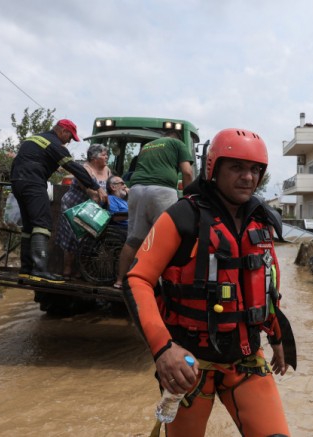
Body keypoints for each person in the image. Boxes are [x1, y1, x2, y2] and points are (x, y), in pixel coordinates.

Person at [124, 128, 297, 437]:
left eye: (256, 169)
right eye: (237, 167)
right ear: (213, 169)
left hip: (245, 360)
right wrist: (163, 351)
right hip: (188, 366)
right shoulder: (181, 216)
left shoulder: (262, 220)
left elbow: (269, 283)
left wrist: (277, 336)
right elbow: (137, 279)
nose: (248, 177)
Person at [10, 119, 107, 283]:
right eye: (70, 138)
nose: (69, 142)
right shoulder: (53, 144)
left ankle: (26, 270)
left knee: (29, 226)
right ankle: (40, 270)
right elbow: (74, 168)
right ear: (63, 131)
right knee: (43, 224)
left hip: (17, 182)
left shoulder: (34, 138)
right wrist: (95, 186)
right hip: (33, 183)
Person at [112, 129, 193, 289]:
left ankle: (120, 281)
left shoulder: (147, 146)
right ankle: (162, 284)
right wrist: (188, 197)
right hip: (161, 191)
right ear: (176, 138)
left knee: (134, 239)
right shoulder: (178, 143)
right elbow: (187, 172)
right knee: (167, 238)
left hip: (136, 190)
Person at [56, 143, 111, 279]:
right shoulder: (84, 169)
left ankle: (81, 270)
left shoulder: (107, 170)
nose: (107, 157)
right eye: (104, 155)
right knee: (73, 238)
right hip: (75, 206)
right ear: (94, 158)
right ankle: (67, 269)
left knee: (89, 240)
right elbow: (91, 193)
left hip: (93, 209)